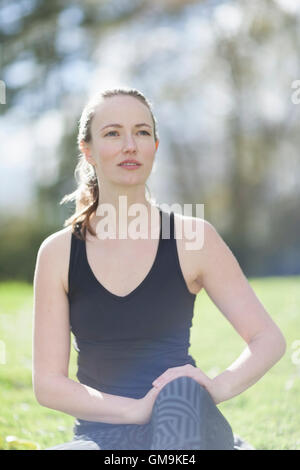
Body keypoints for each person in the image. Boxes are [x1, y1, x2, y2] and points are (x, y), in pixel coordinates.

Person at [32, 87, 286, 450]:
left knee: (178, 398)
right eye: (113, 133)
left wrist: (215, 387)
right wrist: (135, 410)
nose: (130, 145)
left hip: (185, 420)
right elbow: (48, 384)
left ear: (155, 146)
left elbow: (268, 339)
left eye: (142, 132)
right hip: (104, 436)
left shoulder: (192, 236)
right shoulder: (58, 252)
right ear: (87, 150)